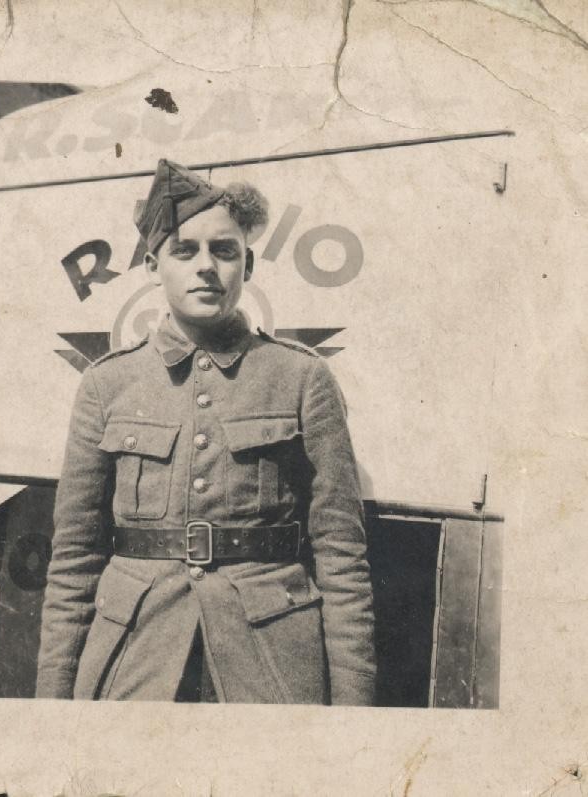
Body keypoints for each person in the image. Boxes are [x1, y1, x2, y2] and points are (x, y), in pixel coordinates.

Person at [36, 158, 376, 704]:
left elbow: (342, 558)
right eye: (184, 251)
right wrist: (51, 708)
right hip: (134, 657)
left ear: (248, 265)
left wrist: (354, 712)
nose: (206, 267)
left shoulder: (301, 378)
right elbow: (74, 563)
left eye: (224, 251)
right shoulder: (107, 384)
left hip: (270, 659)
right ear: (153, 266)